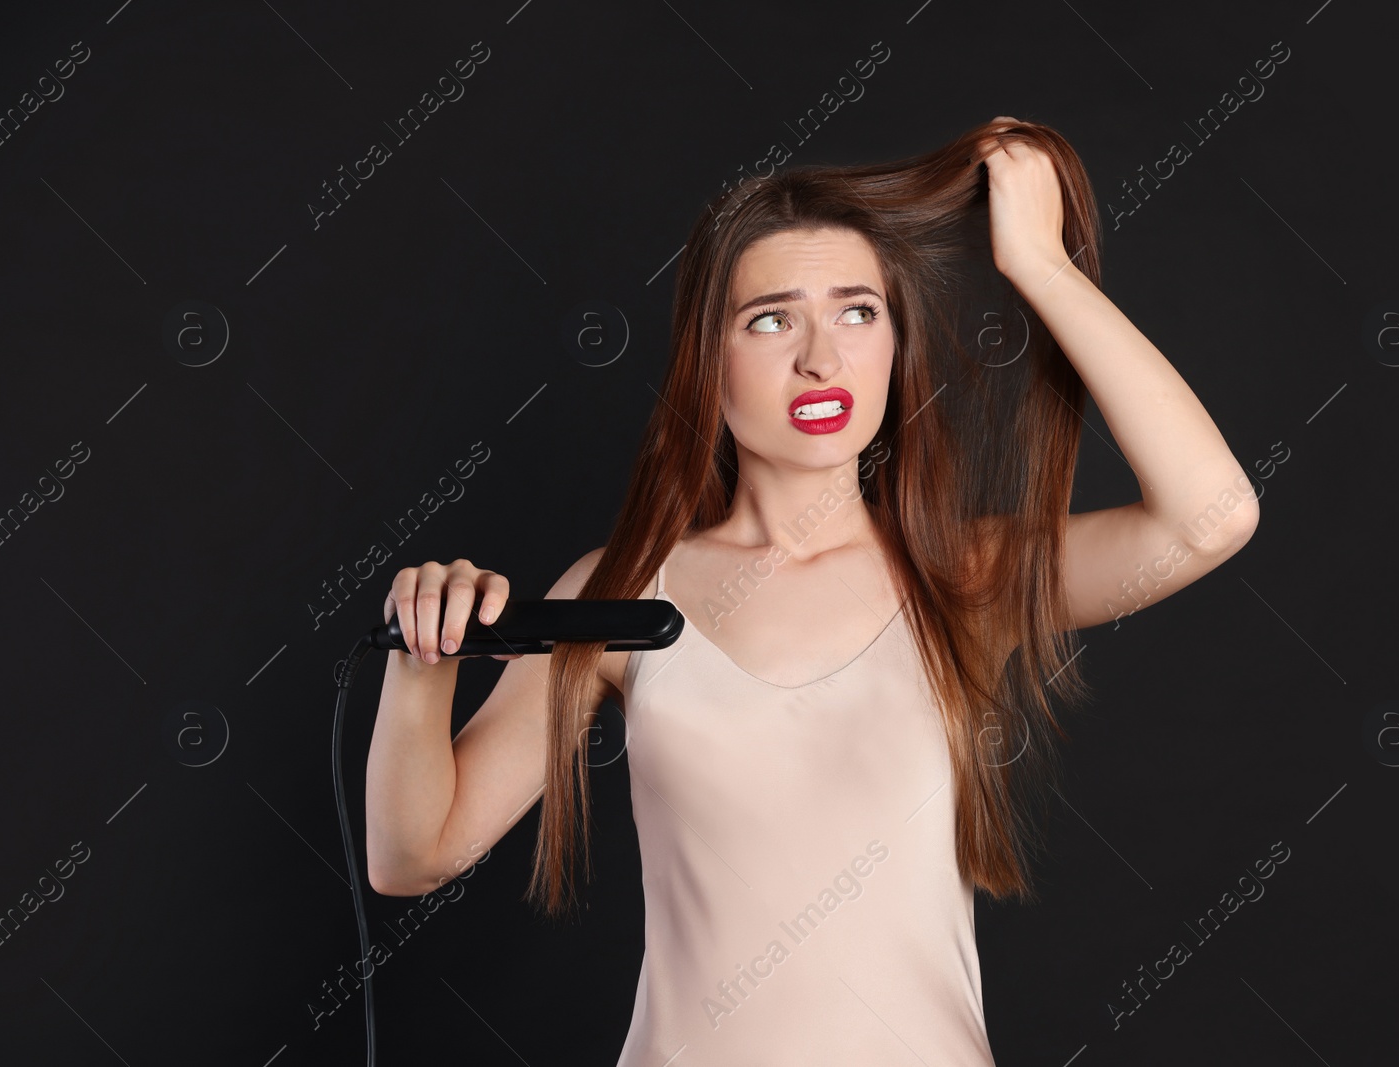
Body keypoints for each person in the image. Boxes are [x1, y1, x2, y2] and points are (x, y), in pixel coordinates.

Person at [364, 115, 1259, 1063]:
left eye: (857, 311)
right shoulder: (622, 590)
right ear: (707, 362)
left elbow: (1212, 517)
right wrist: (425, 655)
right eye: (772, 318)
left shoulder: (966, 579)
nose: (820, 358)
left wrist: (1039, 263)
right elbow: (413, 857)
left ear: (894, 347)